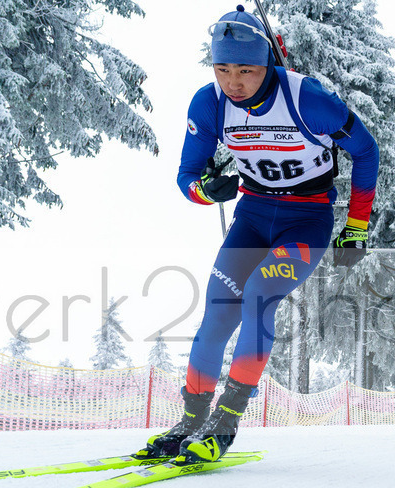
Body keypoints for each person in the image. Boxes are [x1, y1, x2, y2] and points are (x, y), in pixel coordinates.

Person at [137, 5, 378, 464]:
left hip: (306, 222)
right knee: (216, 314)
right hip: (252, 217)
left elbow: (366, 152)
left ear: (267, 62)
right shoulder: (208, 104)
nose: (234, 82)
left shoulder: (308, 99)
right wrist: (206, 192)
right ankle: (189, 422)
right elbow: (187, 177)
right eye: (222, 69)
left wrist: (357, 226)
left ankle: (225, 422)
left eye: (246, 69)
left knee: (258, 294)